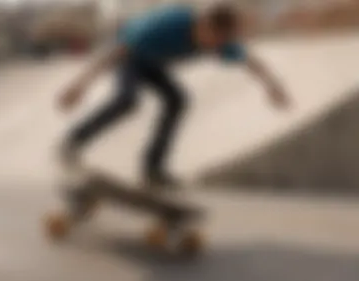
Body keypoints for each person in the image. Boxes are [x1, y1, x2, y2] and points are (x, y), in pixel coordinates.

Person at [58, 2, 291, 188]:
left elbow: (250, 61)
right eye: (213, 41)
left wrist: (274, 87)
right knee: (127, 100)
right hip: (129, 55)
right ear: (203, 25)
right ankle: (73, 142)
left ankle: (153, 170)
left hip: (153, 64)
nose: (214, 49)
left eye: (221, 44)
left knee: (178, 101)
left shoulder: (220, 42)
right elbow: (117, 52)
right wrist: (79, 85)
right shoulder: (170, 23)